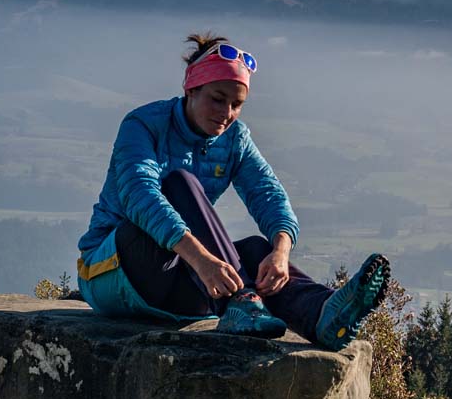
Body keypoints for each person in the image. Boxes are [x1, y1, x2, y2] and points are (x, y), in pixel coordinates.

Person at [76, 33, 389, 350]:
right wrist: (202, 261)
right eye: (217, 98)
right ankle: (241, 303)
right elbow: (138, 194)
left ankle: (320, 314)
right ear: (191, 90)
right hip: (112, 273)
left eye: (237, 104)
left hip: (181, 290)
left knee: (256, 250)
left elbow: (268, 195)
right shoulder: (144, 125)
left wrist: (280, 252)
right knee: (178, 184)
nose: (226, 112)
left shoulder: (235, 139)